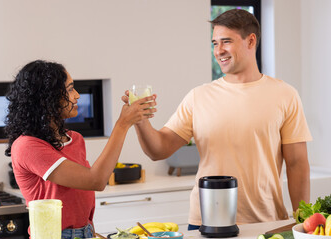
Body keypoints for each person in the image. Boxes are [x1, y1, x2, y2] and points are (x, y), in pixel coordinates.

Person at [122, 9, 312, 227]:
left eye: (226, 42)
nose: (218, 50)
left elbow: (297, 163)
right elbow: (159, 150)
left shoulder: (285, 95)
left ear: (251, 41)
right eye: (214, 43)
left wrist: (303, 221)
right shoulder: (198, 96)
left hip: (265, 222)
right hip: (206, 221)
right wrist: (140, 121)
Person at [4, 60, 156, 239]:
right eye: (69, 89)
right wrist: (122, 124)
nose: (77, 96)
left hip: (87, 232)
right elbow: (96, 181)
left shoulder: (74, 139)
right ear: (46, 98)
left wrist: (90, 233)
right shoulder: (27, 146)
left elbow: (81, 196)